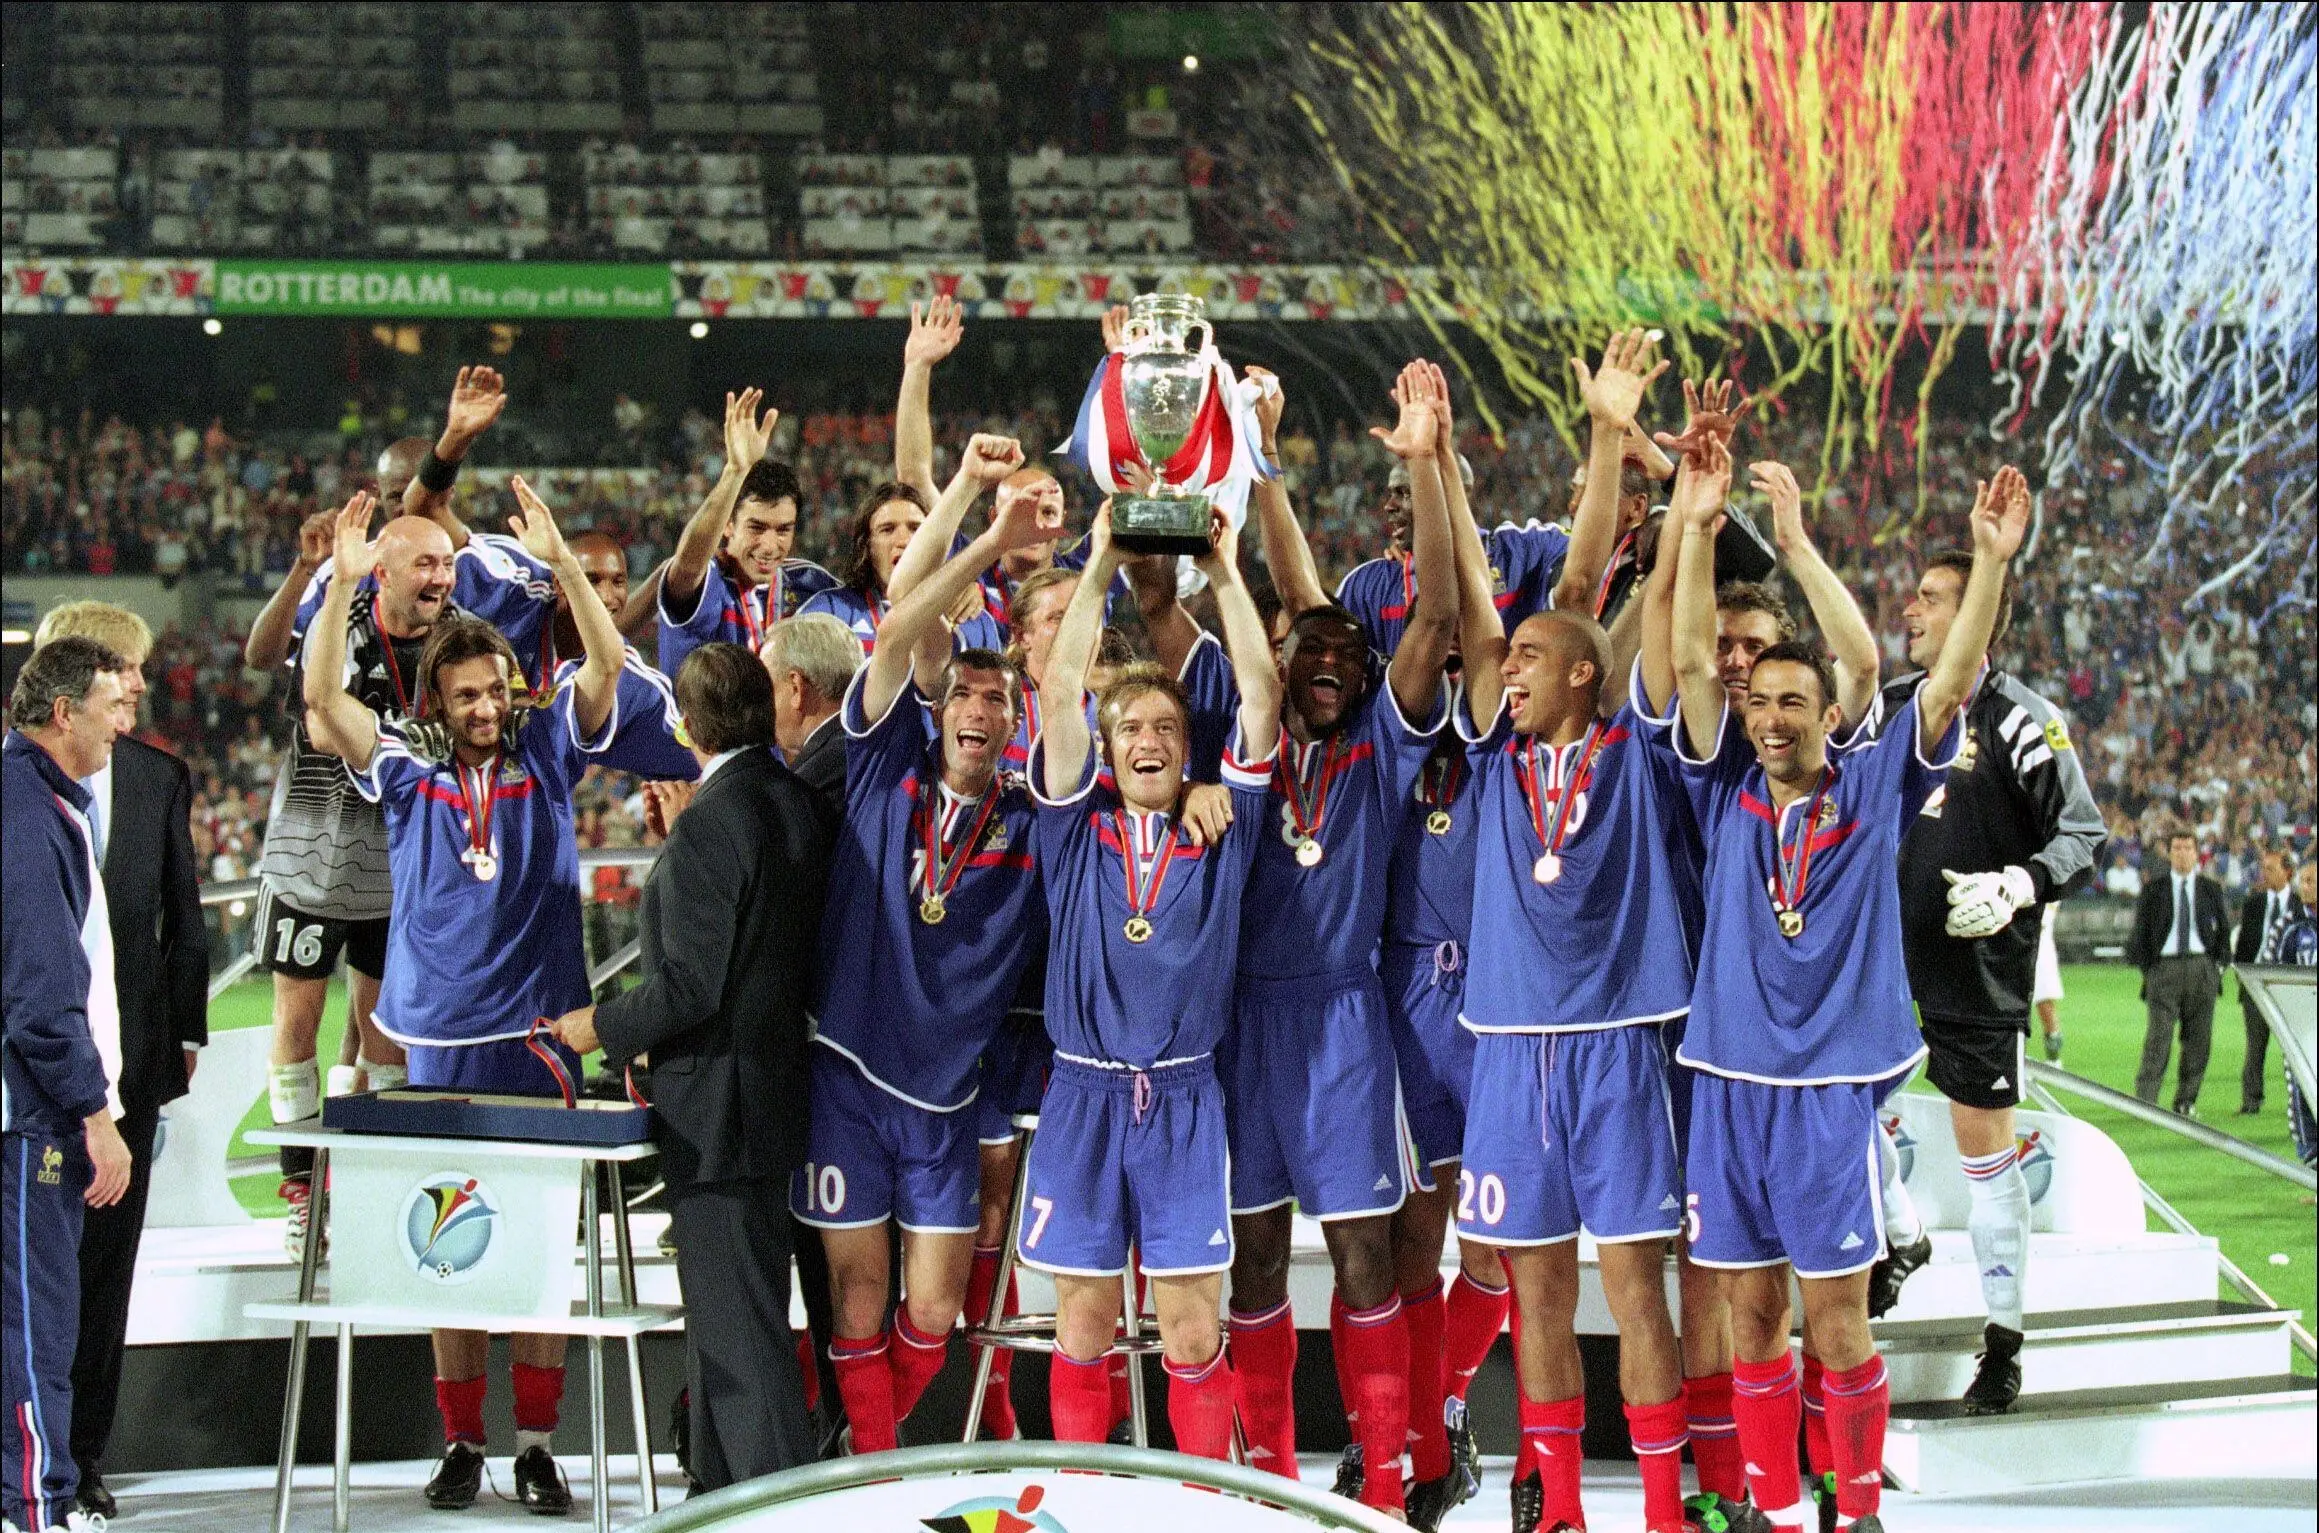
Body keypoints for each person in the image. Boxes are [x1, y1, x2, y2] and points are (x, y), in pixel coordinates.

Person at [1666, 448, 2026, 1533]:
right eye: (1760, 699)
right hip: (1727, 1082)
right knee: (1749, 1312)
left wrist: (1987, 565)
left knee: (1834, 1320)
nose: (1771, 717)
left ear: (1829, 718)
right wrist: (1693, 527)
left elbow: (1920, 673)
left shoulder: (1872, 781)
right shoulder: (1721, 781)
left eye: (1795, 702)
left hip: (1825, 1093)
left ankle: (1857, 1508)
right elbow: (1689, 665)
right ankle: (1778, 1507)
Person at [301, 482, 622, 1513]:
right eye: (466, 695)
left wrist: (566, 564)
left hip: (536, 1036)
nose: (485, 708)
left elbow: (610, 667)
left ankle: (535, 1443)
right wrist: (344, 593)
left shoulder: (551, 754)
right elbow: (324, 707)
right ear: (437, 702)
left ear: (517, 688)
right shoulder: (407, 771)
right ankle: (464, 1444)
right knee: (448, 1246)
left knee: (537, 1247)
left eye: (497, 691)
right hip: (436, 1040)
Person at [1443, 363, 1701, 1533]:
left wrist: (1659, 494)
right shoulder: (1496, 759)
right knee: (1535, 1293)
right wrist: (1437, 465)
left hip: (1615, 1050)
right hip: (1507, 1052)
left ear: (1584, 673)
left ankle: (1659, 1506)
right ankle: (1556, 1515)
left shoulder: (1638, 749)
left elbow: (1599, 585)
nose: (1509, 672)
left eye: (1531, 662)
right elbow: (1477, 603)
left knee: (1635, 1291)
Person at [1218, 364, 1456, 1518]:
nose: (1326, 667)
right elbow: (1278, 604)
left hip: (1347, 1017)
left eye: (1345, 657)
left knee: (1368, 1254)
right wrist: (1254, 460)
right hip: (1245, 1017)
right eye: (1306, 656)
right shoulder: (1245, 738)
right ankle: (1267, 1478)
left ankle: (1384, 1467)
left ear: (1367, 671)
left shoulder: (1387, 741)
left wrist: (1424, 460)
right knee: (1255, 1256)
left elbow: (1443, 621)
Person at [790, 435, 1052, 1456]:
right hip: (848, 1072)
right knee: (856, 1300)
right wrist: (980, 519)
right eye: (969, 695)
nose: (982, 709)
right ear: (943, 711)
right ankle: (872, 1480)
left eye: (1001, 699)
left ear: (1017, 720)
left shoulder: (1035, 818)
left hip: (948, 1098)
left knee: (932, 1315)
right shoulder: (882, 768)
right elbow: (901, 618)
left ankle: (859, 1447)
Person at [1023, 497, 1281, 1461]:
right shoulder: (1069, 823)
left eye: (1166, 725)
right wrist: (1094, 565)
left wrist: (1221, 569)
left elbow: (1260, 695)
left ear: (1186, 744)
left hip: (1181, 1100)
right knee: (1082, 1328)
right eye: (1127, 724)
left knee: (1189, 1332)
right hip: (1082, 1093)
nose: (1145, 738)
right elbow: (1056, 696)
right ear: (1107, 741)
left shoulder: (1224, 824)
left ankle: (1199, 1504)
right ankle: (1082, 1506)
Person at [242, 480, 553, 1258]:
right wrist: (330, 578)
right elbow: (314, 716)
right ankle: (300, 1189)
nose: (442, 576)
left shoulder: (464, 637)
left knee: (384, 1034)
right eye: (426, 562)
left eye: (448, 562)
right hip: (315, 846)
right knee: (298, 1022)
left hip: (406, 859)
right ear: (385, 570)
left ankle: (372, 1181)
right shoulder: (337, 617)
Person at [550, 645, 835, 1489]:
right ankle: (716, 1494)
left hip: (716, 1106)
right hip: (769, 1096)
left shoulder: (717, 819)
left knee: (743, 1337)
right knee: (728, 1322)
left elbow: (690, 983)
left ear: (685, 722)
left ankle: (776, 1507)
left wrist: (596, 1023)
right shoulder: (792, 799)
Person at [1881, 532, 2107, 1420]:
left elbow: (2081, 833)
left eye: (1932, 597)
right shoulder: (1893, 708)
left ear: (1977, 618)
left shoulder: (2023, 719)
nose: (1913, 608)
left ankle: (2003, 1341)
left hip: (1975, 970)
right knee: (1839, 1110)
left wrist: (2020, 883)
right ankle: (1900, 1236)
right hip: (1878, 962)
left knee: (1986, 1165)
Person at [29, 605, 207, 1521]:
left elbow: (183, 916)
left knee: (103, 1273)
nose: (136, 693)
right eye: (120, 679)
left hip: (126, 1070)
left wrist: (178, 1047)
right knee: (32, 1275)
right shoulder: (20, 788)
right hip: (31, 1074)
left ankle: (80, 1455)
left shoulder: (156, 779)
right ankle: (34, 1461)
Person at [3, 636, 136, 1533]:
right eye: (110, 705)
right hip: (29, 1115)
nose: (121, 723)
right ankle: (36, 1508)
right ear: (63, 712)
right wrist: (97, 1112)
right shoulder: (27, 810)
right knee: (34, 1325)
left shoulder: (33, 800)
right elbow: (42, 992)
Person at [659, 388, 837, 680]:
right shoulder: (708, 582)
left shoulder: (810, 586)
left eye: (783, 530)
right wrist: (735, 471)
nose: (769, 546)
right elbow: (688, 563)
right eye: (756, 527)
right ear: (728, 524)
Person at [798, 480, 1006, 656]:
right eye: (887, 529)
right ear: (866, 546)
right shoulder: (829, 612)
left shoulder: (971, 618)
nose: (905, 541)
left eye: (917, 529)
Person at [2125, 827, 2228, 1113]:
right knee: (2158, 1038)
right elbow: (2140, 934)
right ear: (2169, 853)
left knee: (2199, 1041)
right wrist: (2150, 971)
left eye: (2188, 848)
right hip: (2165, 969)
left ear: (2197, 854)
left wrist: (2217, 967)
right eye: (2178, 848)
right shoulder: (2154, 889)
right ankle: (2146, 1101)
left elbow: (2223, 930)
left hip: (2201, 967)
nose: (2183, 854)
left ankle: (2186, 1101)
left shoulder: (2210, 889)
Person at [763, 613, 858, 809]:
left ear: (796, 688)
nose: (763, 705)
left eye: (766, 689)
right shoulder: (863, 745)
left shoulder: (813, 781)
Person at [2234, 849, 2301, 1114]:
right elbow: (2243, 947)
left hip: (2289, 986)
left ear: (2288, 872)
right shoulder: (2254, 904)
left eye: (2271, 869)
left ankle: (2301, 1103)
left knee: (2295, 1049)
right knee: (2255, 1046)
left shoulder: (2301, 906)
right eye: (2264, 868)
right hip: (2257, 984)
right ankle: (2251, 1101)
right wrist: (2243, 977)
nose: (2265, 874)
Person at [2033, 905, 2066, 1063]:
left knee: (2045, 1007)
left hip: (2041, 951)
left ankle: (2054, 1059)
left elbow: (2045, 918)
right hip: (2015, 949)